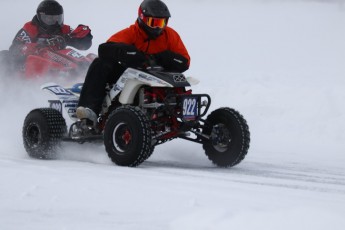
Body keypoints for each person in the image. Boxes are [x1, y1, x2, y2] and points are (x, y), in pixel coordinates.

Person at [76, 0, 190, 126]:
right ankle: (89, 110)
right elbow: (104, 49)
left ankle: (185, 114)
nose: (158, 27)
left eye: (162, 22)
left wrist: (167, 57)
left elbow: (185, 62)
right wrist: (129, 53)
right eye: (153, 23)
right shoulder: (132, 33)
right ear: (142, 18)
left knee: (181, 80)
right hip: (129, 76)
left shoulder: (170, 35)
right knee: (100, 63)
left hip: (160, 78)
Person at [6, 0, 93, 73]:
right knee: (30, 59)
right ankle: (58, 77)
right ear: (40, 17)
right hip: (37, 63)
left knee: (91, 58)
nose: (55, 22)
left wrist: (71, 38)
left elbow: (83, 43)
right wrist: (37, 47)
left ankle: (86, 72)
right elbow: (15, 48)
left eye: (57, 19)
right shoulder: (30, 28)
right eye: (49, 19)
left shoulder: (63, 28)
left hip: (62, 60)